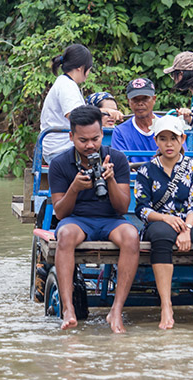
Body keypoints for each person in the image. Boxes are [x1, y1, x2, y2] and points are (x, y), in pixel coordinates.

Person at [49, 105, 140, 333]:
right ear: (71, 137)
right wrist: (74, 188)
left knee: (131, 235)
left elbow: (122, 207)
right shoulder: (60, 164)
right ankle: (69, 308)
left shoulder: (116, 159)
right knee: (66, 235)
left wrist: (109, 180)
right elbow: (60, 213)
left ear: (102, 134)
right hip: (77, 220)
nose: (90, 145)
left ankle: (116, 310)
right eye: (83, 140)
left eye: (95, 139)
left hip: (110, 219)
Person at [134, 115, 193, 329]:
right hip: (159, 221)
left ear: (182, 139)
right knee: (161, 235)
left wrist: (187, 229)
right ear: (156, 141)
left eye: (173, 138)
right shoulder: (146, 170)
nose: (169, 144)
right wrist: (165, 218)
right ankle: (166, 306)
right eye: (163, 139)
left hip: (189, 222)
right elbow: (142, 208)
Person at [39, 44, 92, 164]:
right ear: (80, 67)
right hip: (60, 149)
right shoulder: (66, 86)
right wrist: (104, 113)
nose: (88, 73)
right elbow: (76, 117)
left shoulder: (65, 83)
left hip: (59, 148)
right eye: (89, 69)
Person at [111, 77, 159, 163]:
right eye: (135, 99)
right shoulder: (120, 132)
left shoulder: (167, 125)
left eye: (145, 98)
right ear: (129, 101)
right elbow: (121, 164)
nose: (140, 103)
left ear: (154, 99)